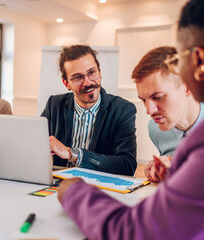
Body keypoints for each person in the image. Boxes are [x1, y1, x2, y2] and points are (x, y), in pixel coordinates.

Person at [56, 0, 204, 239]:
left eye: (179, 60)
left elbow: (136, 232)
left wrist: (74, 192)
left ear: (199, 60)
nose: (150, 110)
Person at [41, 45, 137, 176]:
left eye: (91, 72)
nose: (87, 83)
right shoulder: (54, 105)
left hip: (100, 187)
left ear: (100, 72)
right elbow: (33, 145)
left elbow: (127, 166)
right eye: (77, 77)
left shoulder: (122, 110)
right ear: (66, 84)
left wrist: (72, 154)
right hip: (60, 185)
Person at [132, 46, 204, 182]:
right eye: (143, 100)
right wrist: (161, 169)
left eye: (158, 97)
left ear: (187, 87)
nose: (149, 110)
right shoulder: (155, 129)